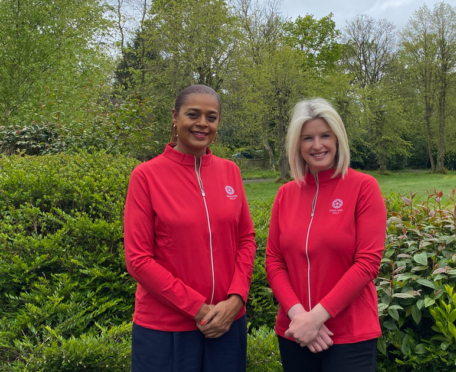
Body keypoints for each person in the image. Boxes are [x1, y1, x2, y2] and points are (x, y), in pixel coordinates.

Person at [124, 85, 256, 372]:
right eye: (193, 114)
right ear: (175, 116)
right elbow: (138, 260)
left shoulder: (230, 171)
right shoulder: (147, 176)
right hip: (166, 329)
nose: (202, 124)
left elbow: (246, 239)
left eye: (211, 117)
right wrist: (198, 308)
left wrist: (236, 299)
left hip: (226, 323)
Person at [265, 98, 386, 372]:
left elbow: (367, 263)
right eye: (308, 137)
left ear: (338, 138)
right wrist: (300, 317)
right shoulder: (285, 195)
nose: (317, 145)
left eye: (324, 135)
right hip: (294, 332)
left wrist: (317, 317)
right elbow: (274, 262)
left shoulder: (363, 187)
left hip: (350, 334)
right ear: (297, 144)